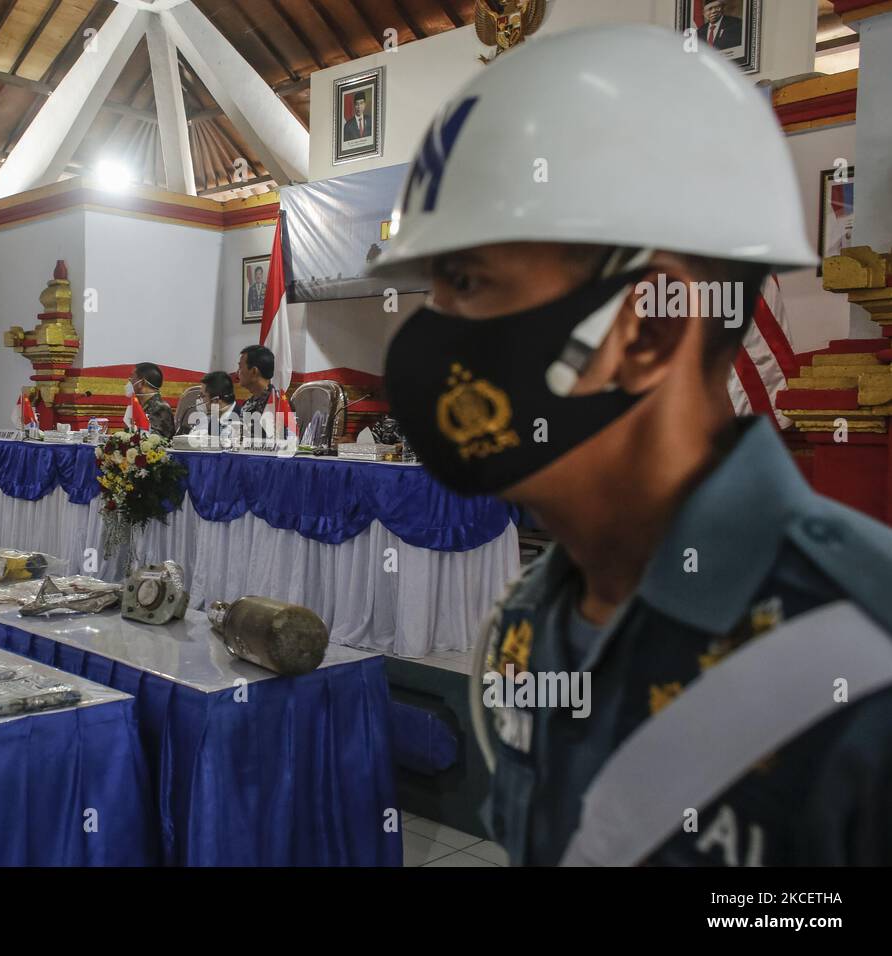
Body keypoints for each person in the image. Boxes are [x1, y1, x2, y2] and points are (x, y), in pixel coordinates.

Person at [373, 24, 892, 865]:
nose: (430, 343)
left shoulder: (868, 657)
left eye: (467, 285)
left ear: (647, 325)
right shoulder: (527, 620)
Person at [125, 362, 175, 440]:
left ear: (141, 383)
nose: (129, 381)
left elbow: (154, 441)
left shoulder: (160, 408)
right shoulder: (139, 405)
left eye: (132, 377)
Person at [179, 370, 236, 436]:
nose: (200, 399)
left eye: (203, 396)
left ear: (216, 400)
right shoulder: (214, 419)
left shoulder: (241, 420)